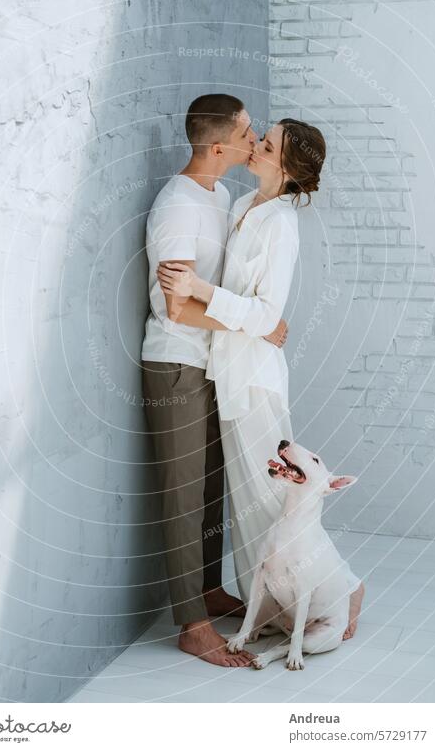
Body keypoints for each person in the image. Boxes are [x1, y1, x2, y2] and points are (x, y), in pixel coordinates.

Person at [157, 118, 365, 641]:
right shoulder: (239, 206)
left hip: (254, 380)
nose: (257, 146)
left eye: (266, 145)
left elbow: (267, 313)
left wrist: (198, 287)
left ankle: (343, 587)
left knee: (275, 499)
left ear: (288, 168)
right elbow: (258, 317)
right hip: (231, 373)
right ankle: (272, 601)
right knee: (251, 498)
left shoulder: (280, 224)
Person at [141, 94, 289, 668]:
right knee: (181, 497)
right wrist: (255, 327)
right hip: (175, 363)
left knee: (209, 491)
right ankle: (192, 625)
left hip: (214, 363)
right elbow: (177, 308)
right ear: (221, 146)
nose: (256, 140)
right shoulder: (177, 206)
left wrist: (255, 322)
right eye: (250, 132)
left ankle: (208, 589)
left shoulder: (223, 195)